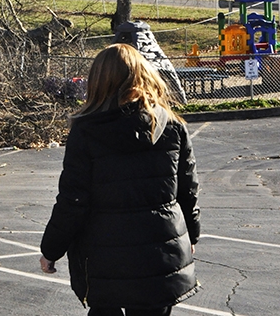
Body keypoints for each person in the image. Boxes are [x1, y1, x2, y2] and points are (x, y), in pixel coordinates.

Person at [39, 43, 200, 316]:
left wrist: (51, 249)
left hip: (104, 254)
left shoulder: (86, 132)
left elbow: (73, 200)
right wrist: (191, 235)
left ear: (98, 82)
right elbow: (187, 190)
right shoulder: (172, 127)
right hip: (159, 252)